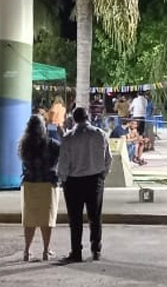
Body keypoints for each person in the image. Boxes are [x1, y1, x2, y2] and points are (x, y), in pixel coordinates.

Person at [58, 107, 111, 263]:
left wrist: (63, 180)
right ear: (88, 117)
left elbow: (63, 163)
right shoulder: (99, 134)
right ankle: (96, 250)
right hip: (95, 180)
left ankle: (76, 251)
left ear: (74, 119)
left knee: (75, 219)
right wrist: (103, 174)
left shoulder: (68, 137)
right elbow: (108, 158)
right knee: (95, 217)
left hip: (73, 182)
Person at [18, 114, 61, 262]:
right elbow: (62, 154)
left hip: (30, 183)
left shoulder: (24, 145)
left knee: (29, 219)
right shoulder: (52, 144)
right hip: (48, 184)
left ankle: (27, 251)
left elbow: (24, 162)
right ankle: (45, 250)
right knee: (47, 218)